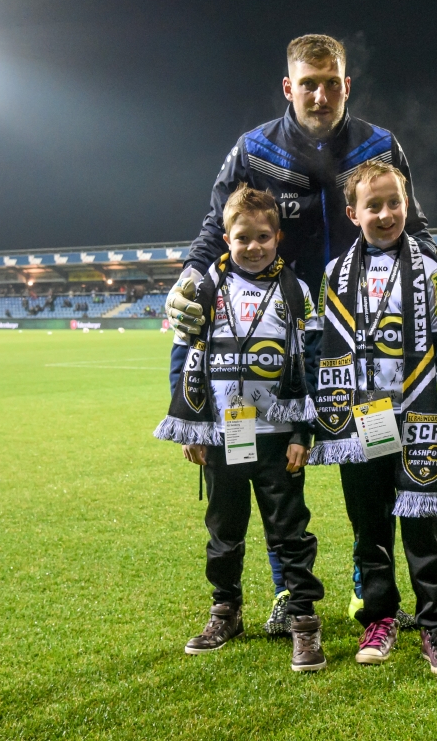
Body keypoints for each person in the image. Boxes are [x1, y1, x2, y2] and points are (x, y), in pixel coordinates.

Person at [165, 32, 437, 629]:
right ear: (288, 87)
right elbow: (213, 224)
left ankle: (367, 585)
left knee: (368, 461)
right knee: (280, 469)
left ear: (346, 85)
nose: (320, 95)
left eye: (331, 84)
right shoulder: (251, 149)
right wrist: (190, 276)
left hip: (364, 334)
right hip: (284, 332)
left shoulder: (381, 146)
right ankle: (287, 595)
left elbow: (415, 222)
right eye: (308, 84)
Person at [154, 184, 327, 672]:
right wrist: (190, 426)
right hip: (223, 436)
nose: (253, 246)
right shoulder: (205, 287)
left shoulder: (295, 292)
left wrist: (301, 434)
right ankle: (225, 610)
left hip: (277, 438)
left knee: (289, 533)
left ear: (279, 237)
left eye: (263, 237)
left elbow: (310, 366)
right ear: (226, 236)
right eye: (242, 237)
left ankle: (303, 622)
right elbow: (183, 355)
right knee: (223, 531)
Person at [308, 159, 437, 676]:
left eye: (393, 202)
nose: (384, 213)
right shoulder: (335, 274)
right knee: (369, 527)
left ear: (407, 205)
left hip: (416, 415)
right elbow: (320, 351)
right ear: (353, 213)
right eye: (372, 205)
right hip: (359, 423)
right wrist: (322, 418)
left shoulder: (431, 269)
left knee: (424, 523)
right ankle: (379, 618)